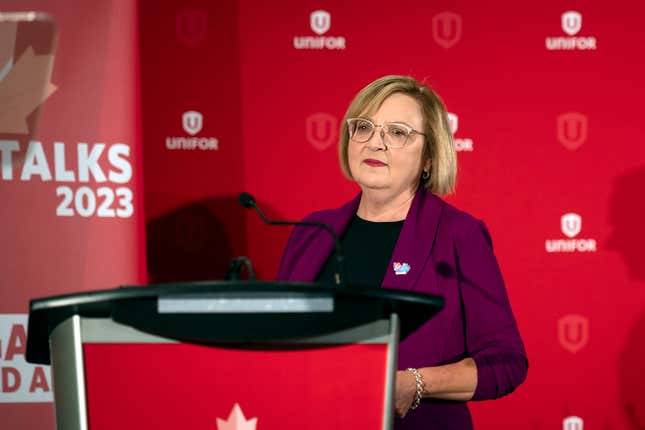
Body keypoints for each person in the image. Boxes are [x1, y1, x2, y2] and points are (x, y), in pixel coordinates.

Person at [277, 75, 527, 429]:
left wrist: (415, 383)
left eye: (397, 132)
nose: (374, 144)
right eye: (363, 127)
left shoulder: (459, 235)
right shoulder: (312, 233)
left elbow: (506, 363)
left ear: (428, 157)